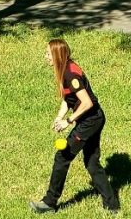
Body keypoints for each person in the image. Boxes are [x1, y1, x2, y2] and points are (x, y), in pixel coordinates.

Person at [30, 38, 119, 215]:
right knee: (92, 163)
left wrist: (69, 121)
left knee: (62, 157)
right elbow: (69, 98)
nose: (45, 56)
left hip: (90, 120)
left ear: (57, 55)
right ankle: (112, 205)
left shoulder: (71, 74)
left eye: (48, 53)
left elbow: (87, 103)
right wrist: (59, 116)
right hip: (93, 119)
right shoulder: (65, 69)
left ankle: (49, 203)